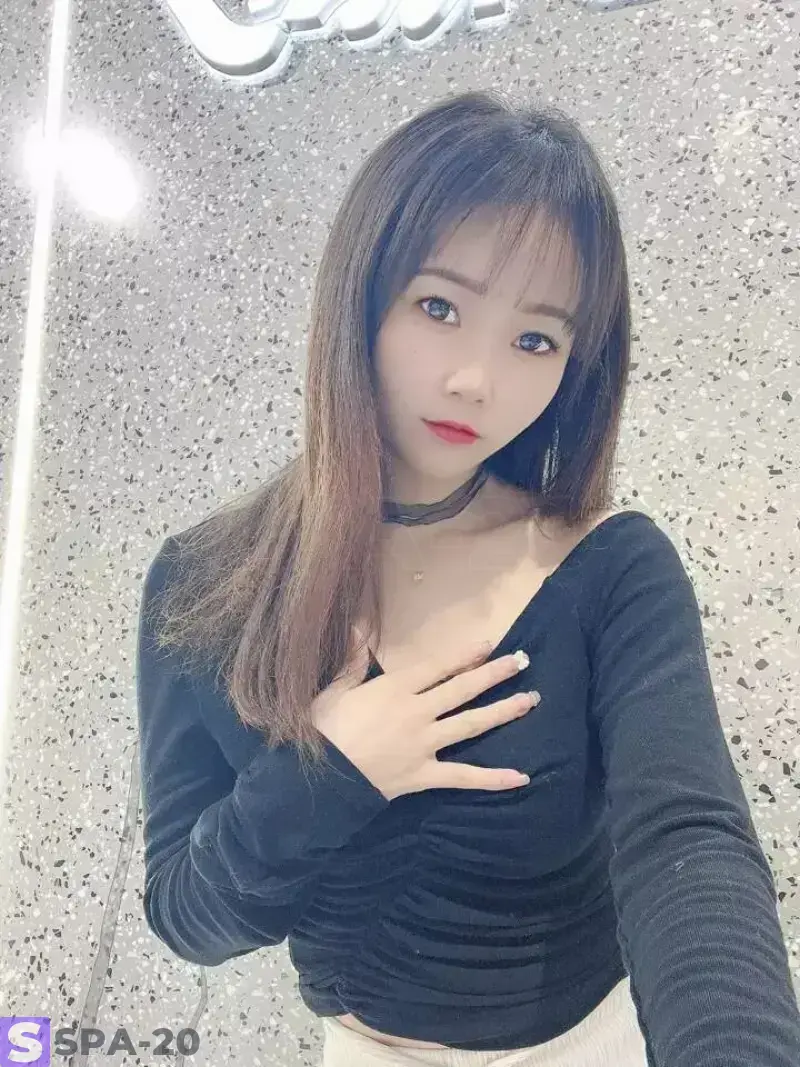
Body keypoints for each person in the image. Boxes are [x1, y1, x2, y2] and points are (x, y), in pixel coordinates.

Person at [135, 90, 800, 1066]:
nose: (476, 380)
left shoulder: (608, 566)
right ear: (361, 294)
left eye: (535, 339)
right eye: (439, 306)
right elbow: (185, 917)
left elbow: (686, 844)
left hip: (585, 1042)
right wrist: (329, 771)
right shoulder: (202, 585)